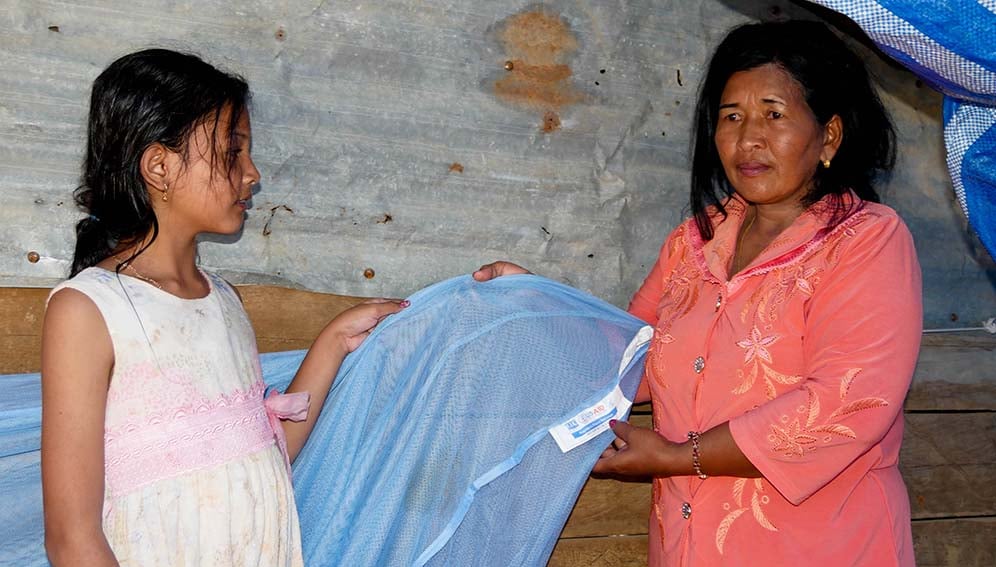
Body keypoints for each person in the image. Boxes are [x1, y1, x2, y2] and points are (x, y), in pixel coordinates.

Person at [474, 20, 921, 566]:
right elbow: (628, 358)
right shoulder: (694, 242)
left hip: (820, 545)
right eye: (732, 116)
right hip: (688, 544)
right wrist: (537, 303)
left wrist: (675, 457)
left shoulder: (866, 239)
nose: (748, 138)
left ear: (828, 134)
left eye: (774, 115)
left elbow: (848, 403)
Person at [40, 49, 405, 566]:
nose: (252, 173)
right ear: (159, 166)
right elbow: (71, 538)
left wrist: (334, 342)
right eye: (233, 152)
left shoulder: (225, 301)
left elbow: (258, 456)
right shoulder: (88, 310)